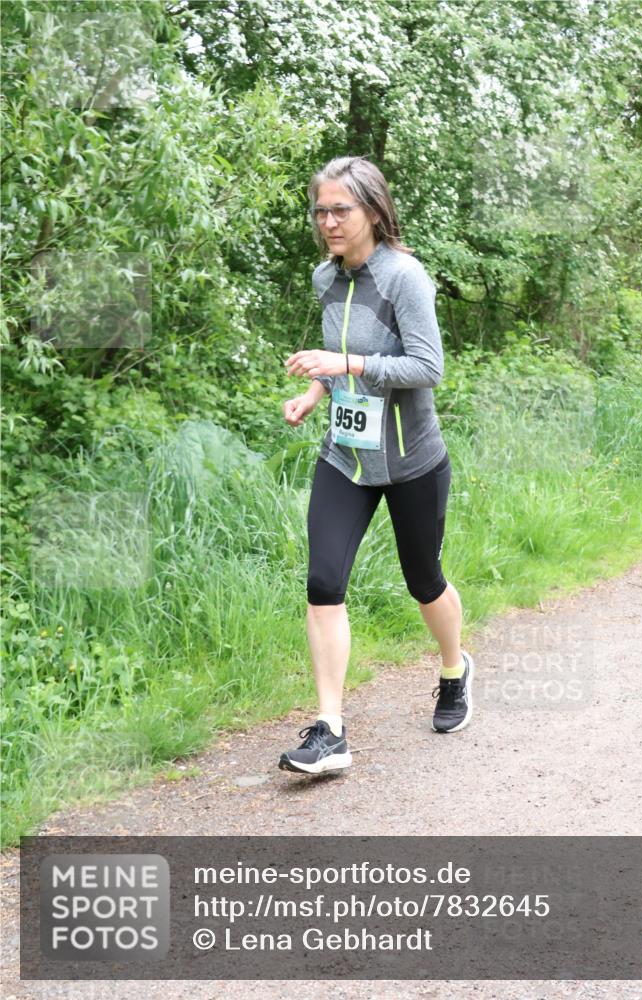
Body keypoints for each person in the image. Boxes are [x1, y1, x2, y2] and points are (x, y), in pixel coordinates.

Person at [279, 155, 474, 775]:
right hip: (346, 456)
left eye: (341, 209)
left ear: (373, 210)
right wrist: (315, 392)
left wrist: (347, 368)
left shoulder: (404, 278)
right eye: (321, 210)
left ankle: (453, 670)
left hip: (412, 460)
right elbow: (340, 353)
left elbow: (427, 367)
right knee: (323, 582)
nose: (328, 222)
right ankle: (330, 730)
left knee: (424, 580)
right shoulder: (324, 279)